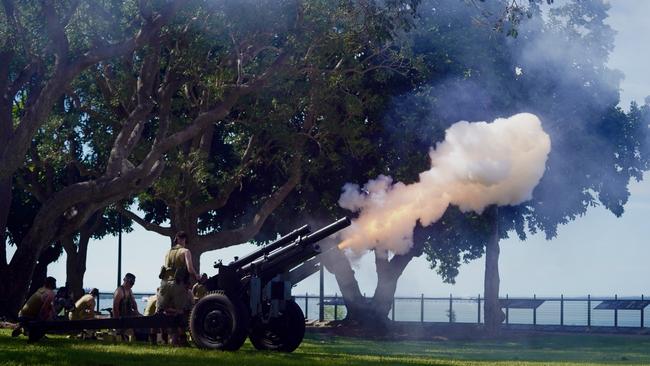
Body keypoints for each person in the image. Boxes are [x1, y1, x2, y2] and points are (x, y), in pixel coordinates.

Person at [157, 231, 199, 345]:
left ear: (176, 239)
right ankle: (182, 339)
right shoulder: (185, 251)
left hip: (164, 284)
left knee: (163, 311)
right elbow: (190, 269)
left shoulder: (168, 252)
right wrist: (197, 277)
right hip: (177, 284)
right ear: (184, 239)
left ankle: (164, 339)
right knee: (181, 312)